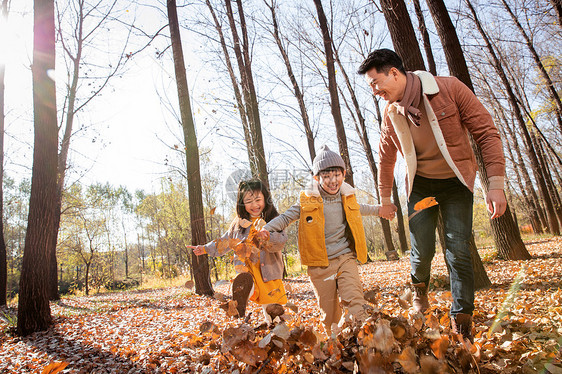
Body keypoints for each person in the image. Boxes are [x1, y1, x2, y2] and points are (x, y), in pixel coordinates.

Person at [357, 48, 507, 341]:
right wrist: (385, 199)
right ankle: (419, 294)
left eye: (376, 83)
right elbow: (386, 159)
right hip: (421, 186)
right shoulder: (391, 114)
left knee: (458, 250)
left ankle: (461, 323)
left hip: (456, 183)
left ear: (395, 73)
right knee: (421, 250)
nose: (374, 91)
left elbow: (486, 132)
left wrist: (496, 184)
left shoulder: (449, 88)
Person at [258, 145, 385, 336]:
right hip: (319, 265)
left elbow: (361, 208)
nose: (333, 181)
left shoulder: (346, 197)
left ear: (344, 174)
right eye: (326, 176)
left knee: (355, 301)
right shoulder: (307, 200)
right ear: (317, 178)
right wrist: (266, 230)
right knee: (330, 315)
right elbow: (285, 218)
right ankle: (336, 345)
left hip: (345, 258)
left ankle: (364, 341)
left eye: (337, 175)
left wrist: (380, 210)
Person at [188, 179, 287, 321]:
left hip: (268, 272)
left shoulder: (273, 220)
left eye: (258, 199)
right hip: (247, 271)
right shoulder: (238, 223)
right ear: (242, 203)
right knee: (245, 284)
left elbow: (281, 240)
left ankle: (277, 332)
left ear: (266, 199)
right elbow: (225, 241)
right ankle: (239, 302)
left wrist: (268, 238)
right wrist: (204, 248)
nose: (254, 205)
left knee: (272, 312)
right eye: (248, 201)